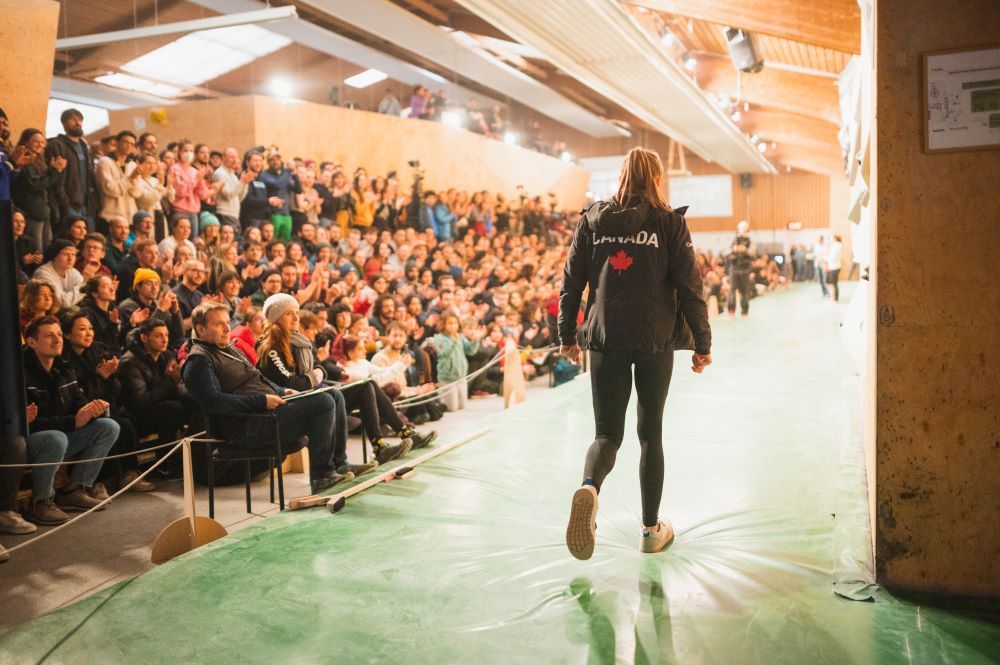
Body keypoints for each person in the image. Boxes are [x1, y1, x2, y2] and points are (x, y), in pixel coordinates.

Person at [557, 147, 712, 560]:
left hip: (606, 337)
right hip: (654, 339)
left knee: (607, 433)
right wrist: (702, 342)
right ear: (657, 179)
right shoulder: (669, 223)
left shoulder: (593, 220)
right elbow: (690, 286)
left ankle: (589, 486)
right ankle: (650, 529)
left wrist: (567, 336)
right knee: (650, 434)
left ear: (620, 176)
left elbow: (572, 283)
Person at [180, 301, 349, 493]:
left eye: (228, 322)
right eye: (219, 324)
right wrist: (261, 401)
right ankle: (322, 476)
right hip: (246, 426)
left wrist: (281, 391)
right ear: (200, 329)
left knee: (333, 394)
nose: (228, 328)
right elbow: (214, 403)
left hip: (265, 415)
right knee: (323, 403)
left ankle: (340, 463)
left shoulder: (230, 349)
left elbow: (258, 378)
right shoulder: (199, 360)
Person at [255, 295, 408, 471]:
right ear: (276, 318)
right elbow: (296, 383)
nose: (296, 318)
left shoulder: (300, 342)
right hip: (291, 407)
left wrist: (316, 375)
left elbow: (320, 368)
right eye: (289, 314)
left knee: (365, 386)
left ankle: (379, 447)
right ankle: (339, 463)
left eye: (296, 312)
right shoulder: (271, 348)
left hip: (312, 394)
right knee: (332, 396)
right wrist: (316, 375)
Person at [22, 316, 120, 517]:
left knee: (108, 426)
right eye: (49, 336)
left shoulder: (65, 368)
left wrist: (91, 409)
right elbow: (28, 424)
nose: (57, 340)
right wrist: (73, 421)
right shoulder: (21, 373)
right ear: (31, 342)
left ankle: (73, 489)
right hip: (29, 444)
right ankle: (41, 501)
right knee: (55, 438)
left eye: (58, 334)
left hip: (63, 437)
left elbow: (78, 403)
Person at [46, 108, 99, 229]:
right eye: (73, 119)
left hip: (87, 205)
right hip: (69, 205)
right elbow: (57, 176)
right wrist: (65, 202)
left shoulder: (83, 145)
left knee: (89, 242)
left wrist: (94, 200)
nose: (78, 122)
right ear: (64, 123)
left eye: (80, 119)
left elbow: (90, 175)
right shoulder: (57, 144)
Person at [33, 240, 86, 308]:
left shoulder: (73, 272)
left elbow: (84, 295)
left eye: (73, 255)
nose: (70, 259)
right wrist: (84, 280)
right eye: (66, 254)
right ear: (55, 256)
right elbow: (64, 303)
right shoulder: (43, 273)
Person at [727, 220, 753, 317]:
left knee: (745, 291)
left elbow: (753, 253)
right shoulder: (734, 240)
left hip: (745, 269)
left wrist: (745, 249)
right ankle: (731, 310)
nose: (742, 230)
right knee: (732, 290)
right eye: (740, 228)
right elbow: (725, 253)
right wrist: (733, 250)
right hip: (734, 268)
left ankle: (745, 311)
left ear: (747, 230)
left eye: (744, 228)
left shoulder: (750, 241)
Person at [826, 234, 843, 302]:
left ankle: (834, 299)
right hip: (834, 266)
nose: (830, 240)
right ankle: (833, 298)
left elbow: (832, 258)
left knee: (833, 283)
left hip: (834, 267)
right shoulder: (837, 246)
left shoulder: (835, 246)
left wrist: (824, 257)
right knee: (833, 283)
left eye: (831, 238)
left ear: (835, 239)